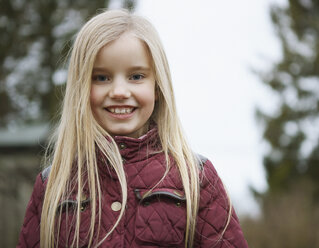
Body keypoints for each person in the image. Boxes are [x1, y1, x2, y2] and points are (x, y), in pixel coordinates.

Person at [17, 9, 249, 248]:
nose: (119, 91)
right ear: (81, 89)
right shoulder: (54, 184)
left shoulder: (196, 178)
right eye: (101, 78)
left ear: (158, 87)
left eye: (136, 76)